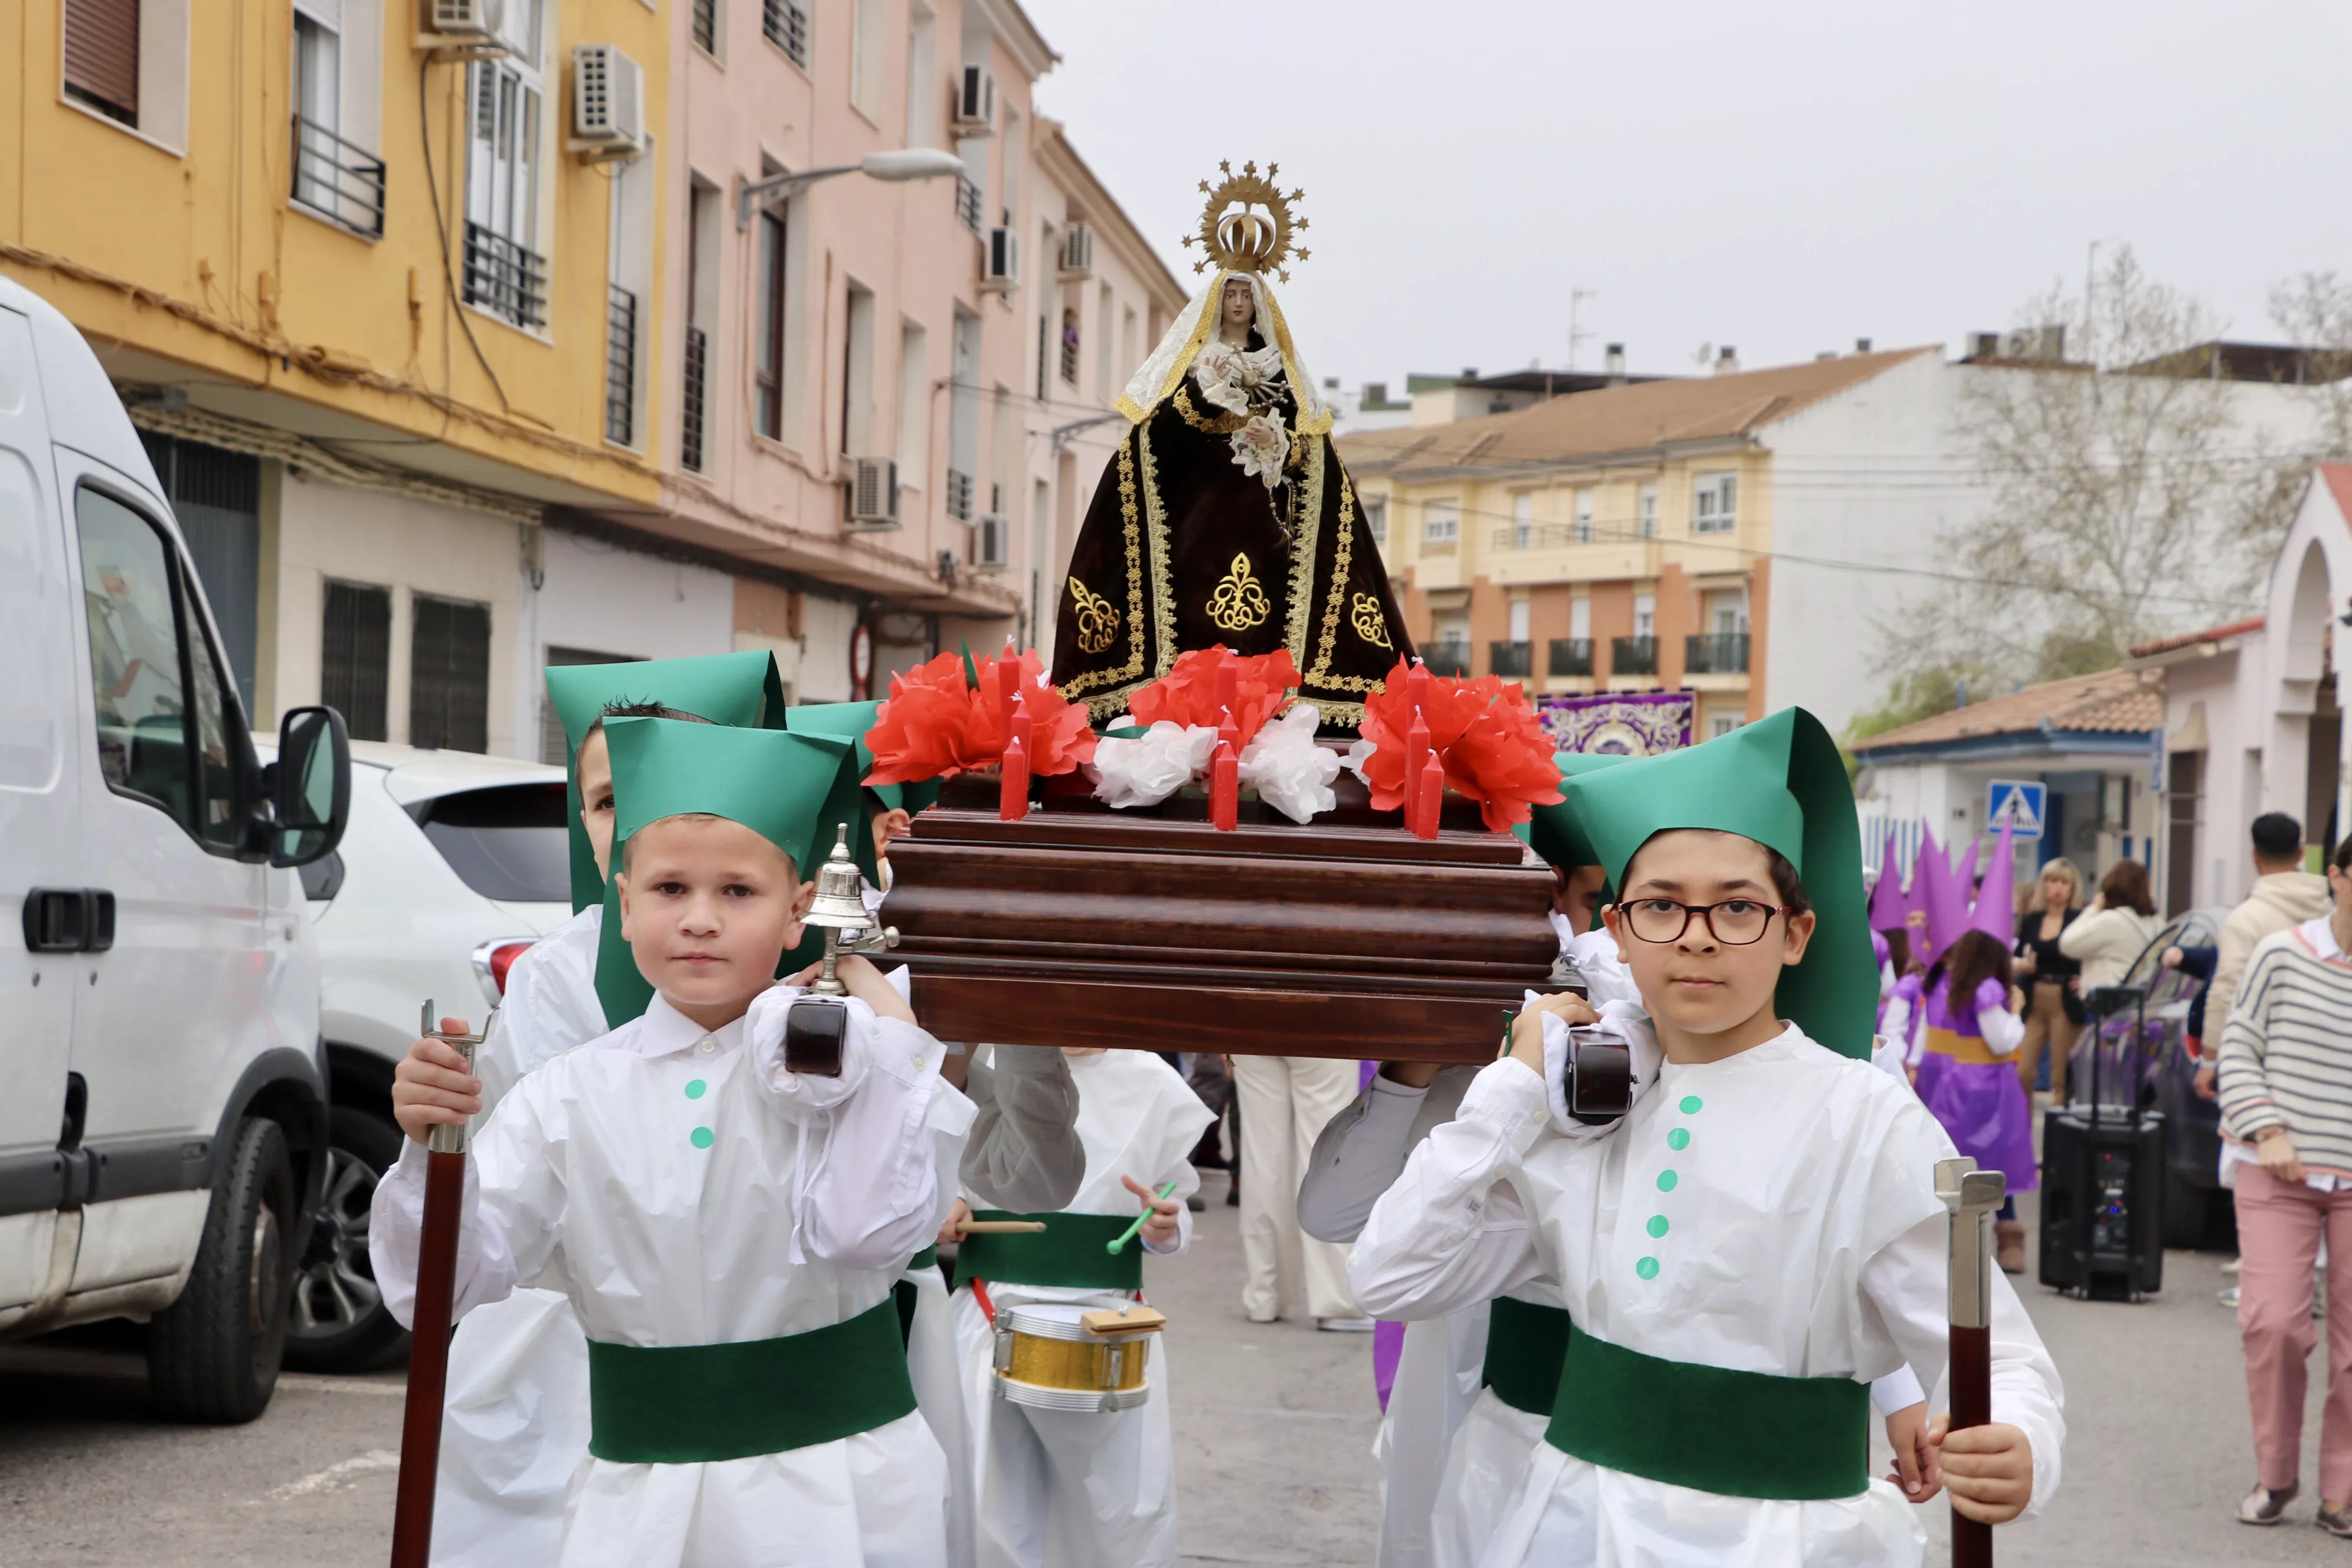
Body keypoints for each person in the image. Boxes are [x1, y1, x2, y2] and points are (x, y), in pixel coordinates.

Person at [1348, 709, 2063, 1566]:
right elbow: (1390, 1274)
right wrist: (1508, 1089)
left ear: (1796, 933)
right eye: (1662, 906)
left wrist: (2021, 1442)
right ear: (1617, 930)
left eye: (1737, 908)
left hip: (1786, 1540)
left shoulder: (1864, 1119)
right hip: (1574, 1528)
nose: (1696, 934)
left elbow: (2002, 1358)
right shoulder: (1583, 1108)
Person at [373, 717, 955, 1564]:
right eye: (671, 889)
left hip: (841, 1493)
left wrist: (892, 1040)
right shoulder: (564, 1097)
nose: (701, 921)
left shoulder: (849, 1069)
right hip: (638, 1499)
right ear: (622, 897)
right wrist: (433, 1152)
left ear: (800, 912)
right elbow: (444, 1286)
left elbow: (867, 1235)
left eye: (739, 893)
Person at [1049, 172, 1407, 730]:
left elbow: (1309, 459)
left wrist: (1279, 443)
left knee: (1267, 631)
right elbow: (1161, 436)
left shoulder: (1280, 373)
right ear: (1218, 301)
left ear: (1260, 304)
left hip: (1262, 527)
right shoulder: (1195, 365)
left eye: (1247, 295)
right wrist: (1203, 393)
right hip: (1198, 522)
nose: (1239, 302)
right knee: (1191, 622)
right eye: (1232, 293)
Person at [945, 1046, 1212, 1567]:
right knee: (988, 1492)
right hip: (992, 1311)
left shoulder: (1152, 1078)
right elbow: (941, 1163)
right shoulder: (985, 1062)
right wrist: (949, 1201)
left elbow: (1174, 1195)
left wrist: (1164, 1226)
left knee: (1114, 1506)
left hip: (1110, 1320)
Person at [2214, 834, 2352, 1533]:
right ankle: (2277, 1476)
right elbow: (2238, 1045)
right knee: (2273, 1324)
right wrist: (2268, 1128)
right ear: (2337, 876)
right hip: (2277, 1167)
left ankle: (2342, 1490)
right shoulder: (2283, 952)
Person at [1919, 929, 2036, 1273]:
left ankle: (1950, 1238)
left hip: (1954, 1083)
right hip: (1990, 1087)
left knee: (1956, 1161)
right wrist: (2017, 1012)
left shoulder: (1947, 984)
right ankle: (2008, 1235)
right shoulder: (1988, 989)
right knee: (2000, 1161)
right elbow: (2002, 1041)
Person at [2198, 812, 2333, 1100]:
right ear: (2300, 853)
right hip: (2327, 1056)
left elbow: (2227, 989)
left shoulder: (2246, 920)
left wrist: (2210, 1059)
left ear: (2254, 856)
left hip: (2262, 1059)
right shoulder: (2331, 916)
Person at [2010, 858, 2086, 1103]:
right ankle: (2024, 1132)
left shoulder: (2080, 919)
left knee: (2060, 1076)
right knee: (2023, 1070)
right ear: (2044, 885)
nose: (2058, 888)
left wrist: (2086, 979)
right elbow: (2019, 952)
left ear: (2073, 888)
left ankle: (2058, 1134)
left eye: (2065, 882)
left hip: (2064, 998)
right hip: (2035, 997)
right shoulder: (2033, 919)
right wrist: (2022, 964)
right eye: (2053, 881)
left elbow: (2088, 954)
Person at [2056, 857, 2161, 997]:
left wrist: (2093, 908)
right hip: (2144, 998)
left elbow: (2067, 944)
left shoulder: (2111, 921)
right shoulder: (2157, 922)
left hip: (2109, 1001)